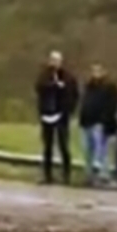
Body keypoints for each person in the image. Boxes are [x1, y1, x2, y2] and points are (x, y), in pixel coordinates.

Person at [35, 50, 79, 185]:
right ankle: (47, 175)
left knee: (63, 145)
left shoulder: (68, 77)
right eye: (53, 60)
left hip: (62, 114)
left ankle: (66, 175)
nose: (55, 63)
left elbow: (74, 94)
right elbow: (39, 88)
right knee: (47, 146)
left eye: (57, 60)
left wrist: (69, 110)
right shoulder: (44, 75)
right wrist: (53, 86)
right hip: (47, 114)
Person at [79, 63, 117, 186]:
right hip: (87, 122)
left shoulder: (110, 87)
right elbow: (84, 102)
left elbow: (112, 105)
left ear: (104, 72)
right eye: (94, 71)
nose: (95, 73)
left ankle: (104, 174)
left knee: (101, 150)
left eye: (98, 70)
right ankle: (89, 174)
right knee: (88, 150)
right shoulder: (89, 86)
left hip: (100, 122)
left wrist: (105, 120)